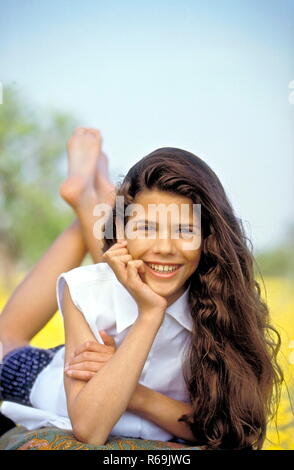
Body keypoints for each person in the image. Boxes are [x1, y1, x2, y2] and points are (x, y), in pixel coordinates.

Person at [0, 128, 284, 450]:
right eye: (147, 227)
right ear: (122, 230)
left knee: (141, 266)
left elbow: (226, 429)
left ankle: (95, 199)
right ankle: (88, 203)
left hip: (121, 269)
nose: (165, 246)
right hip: (43, 380)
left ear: (208, 240)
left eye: (184, 230)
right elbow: (90, 429)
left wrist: (134, 392)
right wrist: (150, 314)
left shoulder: (222, 305)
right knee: (5, 340)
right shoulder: (85, 289)